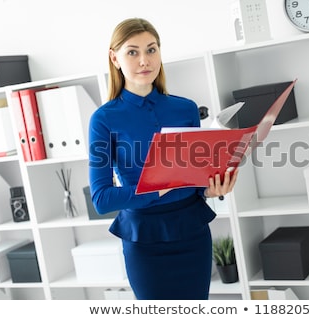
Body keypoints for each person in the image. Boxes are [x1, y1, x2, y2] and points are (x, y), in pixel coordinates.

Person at [88, 17, 238, 300]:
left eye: (151, 49)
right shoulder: (104, 119)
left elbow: (194, 181)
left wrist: (213, 188)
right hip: (144, 240)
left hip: (192, 232)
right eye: (132, 52)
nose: (144, 60)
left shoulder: (186, 109)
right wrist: (155, 189)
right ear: (115, 58)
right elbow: (102, 199)